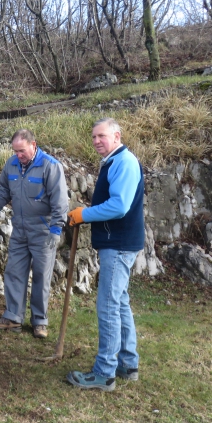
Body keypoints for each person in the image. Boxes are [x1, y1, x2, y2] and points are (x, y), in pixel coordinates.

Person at [65, 118, 145, 391]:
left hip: (119, 244)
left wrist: (83, 214)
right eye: (94, 137)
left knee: (108, 305)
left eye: (102, 136)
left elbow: (119, 206)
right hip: (120, 242)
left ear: (117, 136)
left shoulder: (124, 162)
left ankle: (104, 373)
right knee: (119, 302)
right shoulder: (114, 161)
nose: (97, 141)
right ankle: (127, 363)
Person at [0, 129, 68, 338]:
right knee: (14, 273)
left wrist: (56, 229)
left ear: (33, 145)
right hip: (19, 230)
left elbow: (60, 202)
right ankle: (13, 318)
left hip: (43, 231)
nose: (19, 155)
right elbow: (3, 191)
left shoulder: (50, 166)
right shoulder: (11, 165)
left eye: (22, 150)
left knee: (41, 277)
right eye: (15, 151)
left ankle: (39, 322)